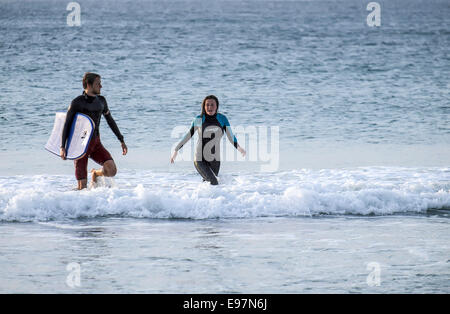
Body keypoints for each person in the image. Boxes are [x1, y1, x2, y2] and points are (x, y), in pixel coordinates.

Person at [60, 72, 128, 190]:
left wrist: (121, 139)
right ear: (89, 85)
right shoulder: (77, 102)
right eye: (98, 84)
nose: (101, 86)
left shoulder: (101, 101)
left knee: (112, 170)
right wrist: (62, 146)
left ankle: (96, 173)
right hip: (80, 146)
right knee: (82, 188)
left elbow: (110, 120)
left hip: (96, 143)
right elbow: (67, 124)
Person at [170, 95, 245, 185]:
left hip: (215, 159)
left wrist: (239, 148)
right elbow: (188, 135)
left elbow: (230, 136)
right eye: (207, 105)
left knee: (209, 184)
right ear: (204, 107)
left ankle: (202, 198)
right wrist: (176, 149)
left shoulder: (222, 119)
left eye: (212, 104)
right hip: (199, 158)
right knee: (214, 182)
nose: (209, 107)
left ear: (216, 106)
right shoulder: (199, 119)